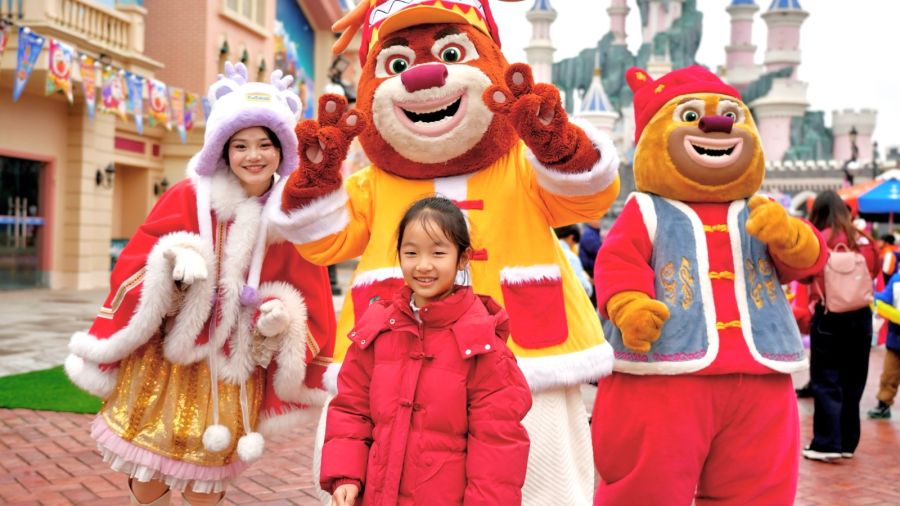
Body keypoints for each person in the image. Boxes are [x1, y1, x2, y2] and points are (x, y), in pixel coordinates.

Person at [64, 62, 336, 505]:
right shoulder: (187, 195)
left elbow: (310, 294)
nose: (253, 156)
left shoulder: (289, 219)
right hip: (168, 359)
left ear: (282, 150)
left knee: (207, 481)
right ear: (223, 150)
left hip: (233, 368)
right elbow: (137, 260)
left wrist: (279, 317)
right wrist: (173, 261)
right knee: (148, 475)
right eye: (240, 145)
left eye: (264, 145)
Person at [320, 196, 532, 506]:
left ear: (462, 258)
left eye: (438, 253)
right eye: (411, 252)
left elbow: (497, 446)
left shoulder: (482, 345)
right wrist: (346, 476)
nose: (422, 265)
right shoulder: (379, 330)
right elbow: (352, 410)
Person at [803, 190, 880, 461]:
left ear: (819, 212)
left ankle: (827, 443)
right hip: (861, 317)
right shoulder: (864, 239)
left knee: (826, 380)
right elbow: (875, 270)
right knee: (853, 381)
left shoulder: (818, 240)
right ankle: (847, 442)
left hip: (829, 316)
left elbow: (804, 274)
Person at [868, 271, 900, 419]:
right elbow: (885, 298)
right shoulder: (897, 279)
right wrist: (873, 298)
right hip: (896, 339)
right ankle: (883, 404)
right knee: (889, 375)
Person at [555, 225, 593, 297]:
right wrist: (587, 280)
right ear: (571, 237)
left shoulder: (548, 252)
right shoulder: (571, 257)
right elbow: (584, 288)